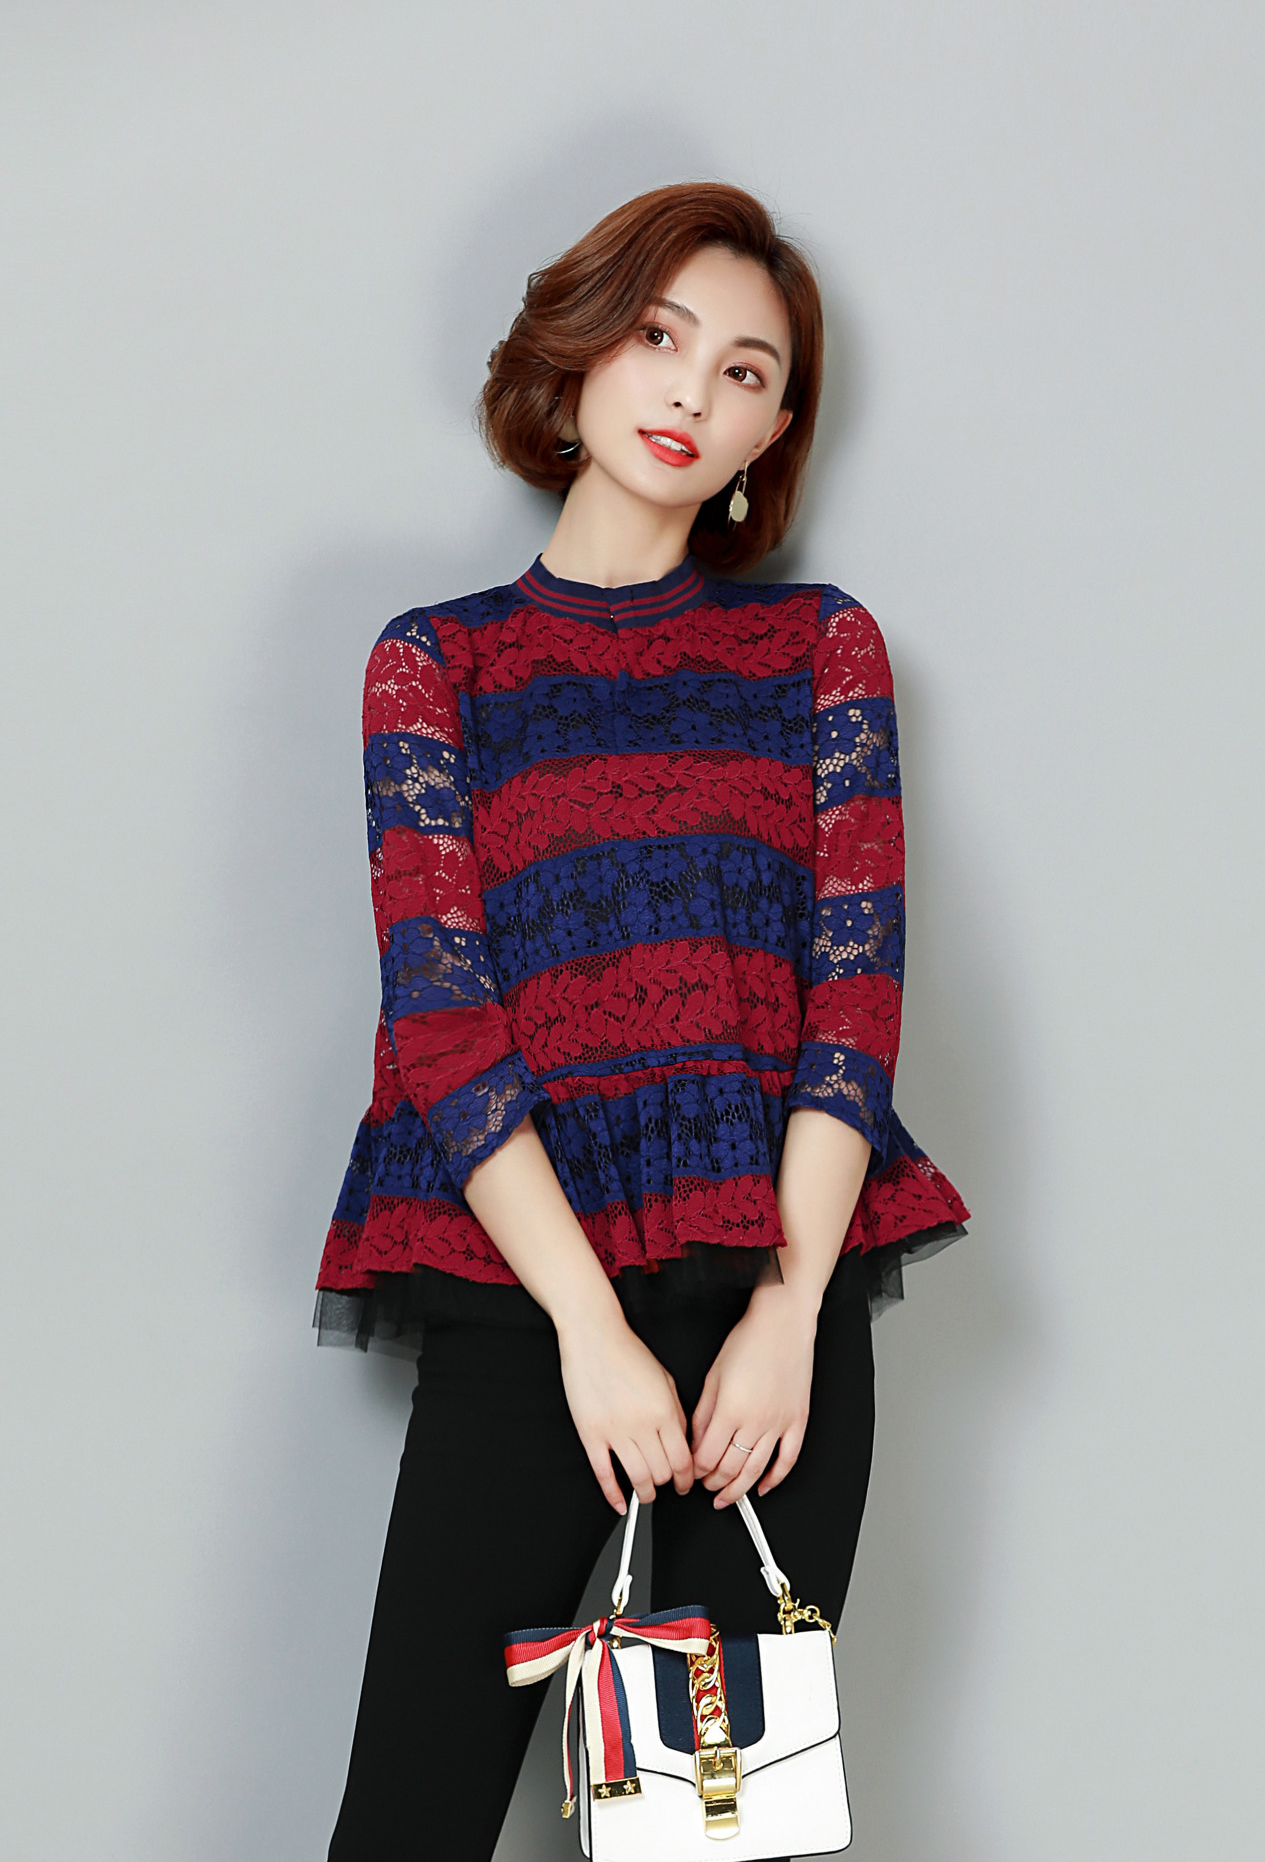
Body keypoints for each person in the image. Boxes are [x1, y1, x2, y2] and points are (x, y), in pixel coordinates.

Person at [315, 181, 968, 1860]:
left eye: (745, 371)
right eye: (661, 337)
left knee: (712, 1843)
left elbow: (855, 999)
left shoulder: (820, 652)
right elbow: (444, 1027)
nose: (691, 390)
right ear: (583, 355)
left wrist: (790, 1312)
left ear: (771, 434)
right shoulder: (434, 665)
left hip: (772, 1312)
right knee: (407, 1826)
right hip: (526, 1302)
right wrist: (590, 1336)